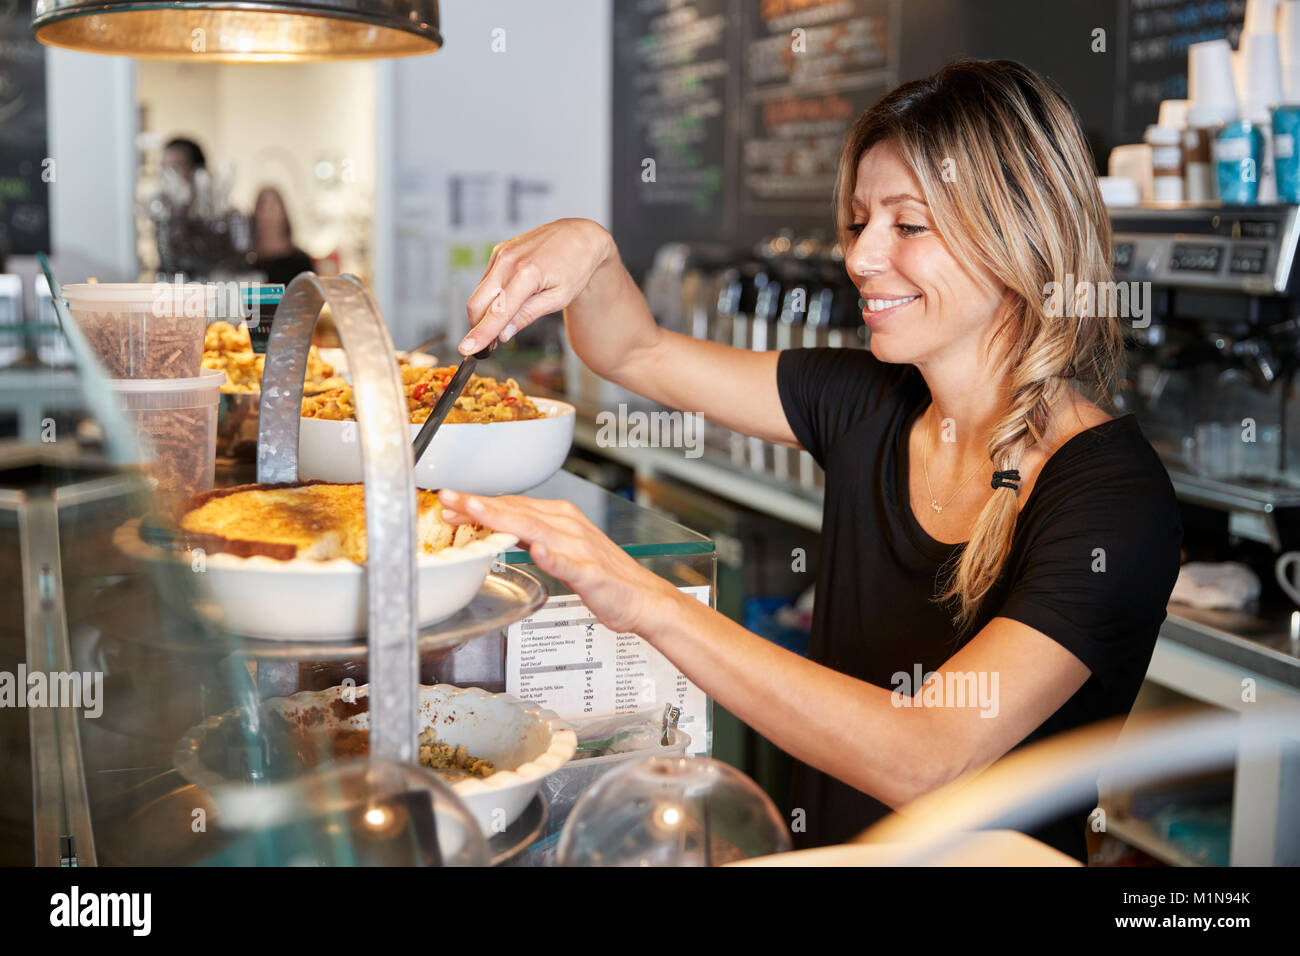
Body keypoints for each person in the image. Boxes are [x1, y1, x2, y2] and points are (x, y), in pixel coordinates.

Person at [437, 59, 1183, 863]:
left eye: (910, 224)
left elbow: (927, 756)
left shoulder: (1111, 498)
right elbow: (635, 349)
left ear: (1020, 233)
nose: (861, 257)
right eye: (861, 221)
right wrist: (591, 249)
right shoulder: (866, 399)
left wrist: (644, 598)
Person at [247, 186, 315, 285]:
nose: (268, 213)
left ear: (284, 213)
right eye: (263, 207)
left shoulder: (300, 261)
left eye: (273, 206)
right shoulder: (249, 262)